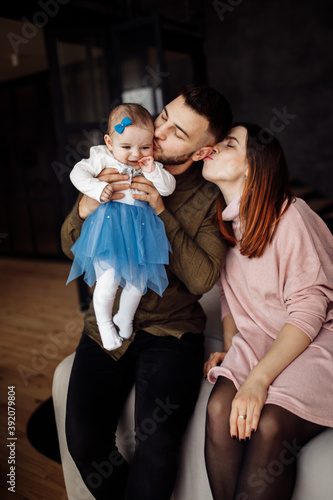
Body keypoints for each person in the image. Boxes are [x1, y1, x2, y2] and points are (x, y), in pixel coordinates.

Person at [61, 84, 232, 499]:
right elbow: (70, 244)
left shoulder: (209, 197)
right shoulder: (113, 160)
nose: (158, 133)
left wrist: (159, 210)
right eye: (164, 117)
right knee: (83, 439)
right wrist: (86, 205)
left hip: (171, 331)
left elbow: (203, 279)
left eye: (177, 133)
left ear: (199, 153)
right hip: (105, 327)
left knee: (155, 447)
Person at [203, 123, 333, 500]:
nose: (213, 149)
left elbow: (310, 310)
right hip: (260, 339)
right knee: (219, 408)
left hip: (316, 340)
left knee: (272, 422)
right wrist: (231, 347)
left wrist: (258, 381)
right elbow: (231, 299)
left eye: (228, 144)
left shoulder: (292, 215)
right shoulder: (224, 227)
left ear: (252, 167)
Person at [66, 103, 176, 350]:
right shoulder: (101, 157)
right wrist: (96, 189)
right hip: (108, 230)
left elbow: (168, 188)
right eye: (126, 147)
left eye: (144, 146)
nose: (136, 154)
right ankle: (105, 324)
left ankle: (123, 317)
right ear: (110, 142)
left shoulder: (149, 164)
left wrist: (152, 171)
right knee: (108, 282)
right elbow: (77, 173)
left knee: (138, 284)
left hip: (140, 231)